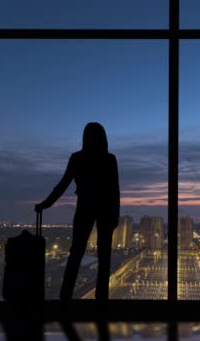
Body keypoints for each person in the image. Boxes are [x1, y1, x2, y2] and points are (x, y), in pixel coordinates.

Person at [35, 122, 120, 304]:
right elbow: (114, 191)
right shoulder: (109, 159)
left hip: (85, 208)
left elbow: (62, 185)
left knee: (76, 253)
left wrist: (46, 204)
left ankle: (65, 297)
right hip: (104, 209)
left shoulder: (78, 158)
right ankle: (101, 300)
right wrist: (115, 216)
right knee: (103, 257)